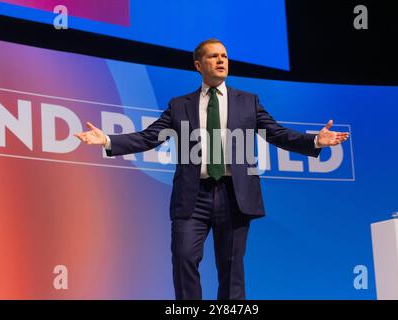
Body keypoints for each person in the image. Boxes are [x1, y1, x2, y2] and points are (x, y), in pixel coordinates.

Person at [75, 38, 349, 300]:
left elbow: (276, 134)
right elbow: (150, 137)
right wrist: (109, 140)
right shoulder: (179, 105)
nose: (221, 60)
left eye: (224, 56)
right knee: (183, 259)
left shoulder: (248, 101)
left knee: (231, 270)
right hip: (193, 198)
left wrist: (313, 140)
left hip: (234, 196)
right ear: (198, 65)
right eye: (214, 56)